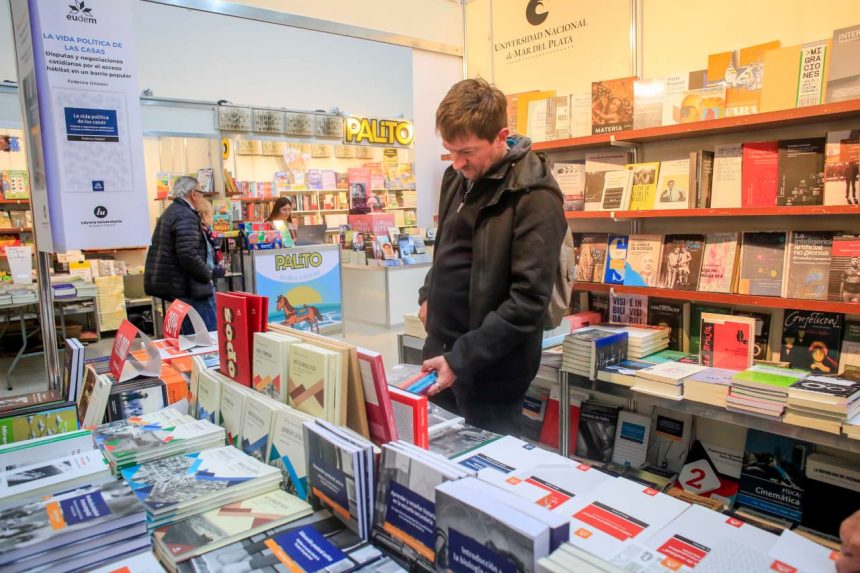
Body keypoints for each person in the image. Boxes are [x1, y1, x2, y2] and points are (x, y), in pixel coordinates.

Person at [417, 78, 567, 436]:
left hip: (492, 368)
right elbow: (447, 247)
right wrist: (428, 295)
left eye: (466, 152)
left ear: (501, 136)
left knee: (482, 472)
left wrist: (462, 359)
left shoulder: (535, 197)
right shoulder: (457, 178)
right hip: (442, 352)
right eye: (449, 150)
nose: (455, 163)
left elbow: (528, 300)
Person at [144, 176, 217, 332]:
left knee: (191, 336)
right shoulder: (185, 215)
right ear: (193, 194)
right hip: (191, 288)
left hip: (179, 286)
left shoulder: (170, 212)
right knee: (207, 336)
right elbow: (187, 254)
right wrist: (207, 274)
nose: (202, 197)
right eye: (201, 193)